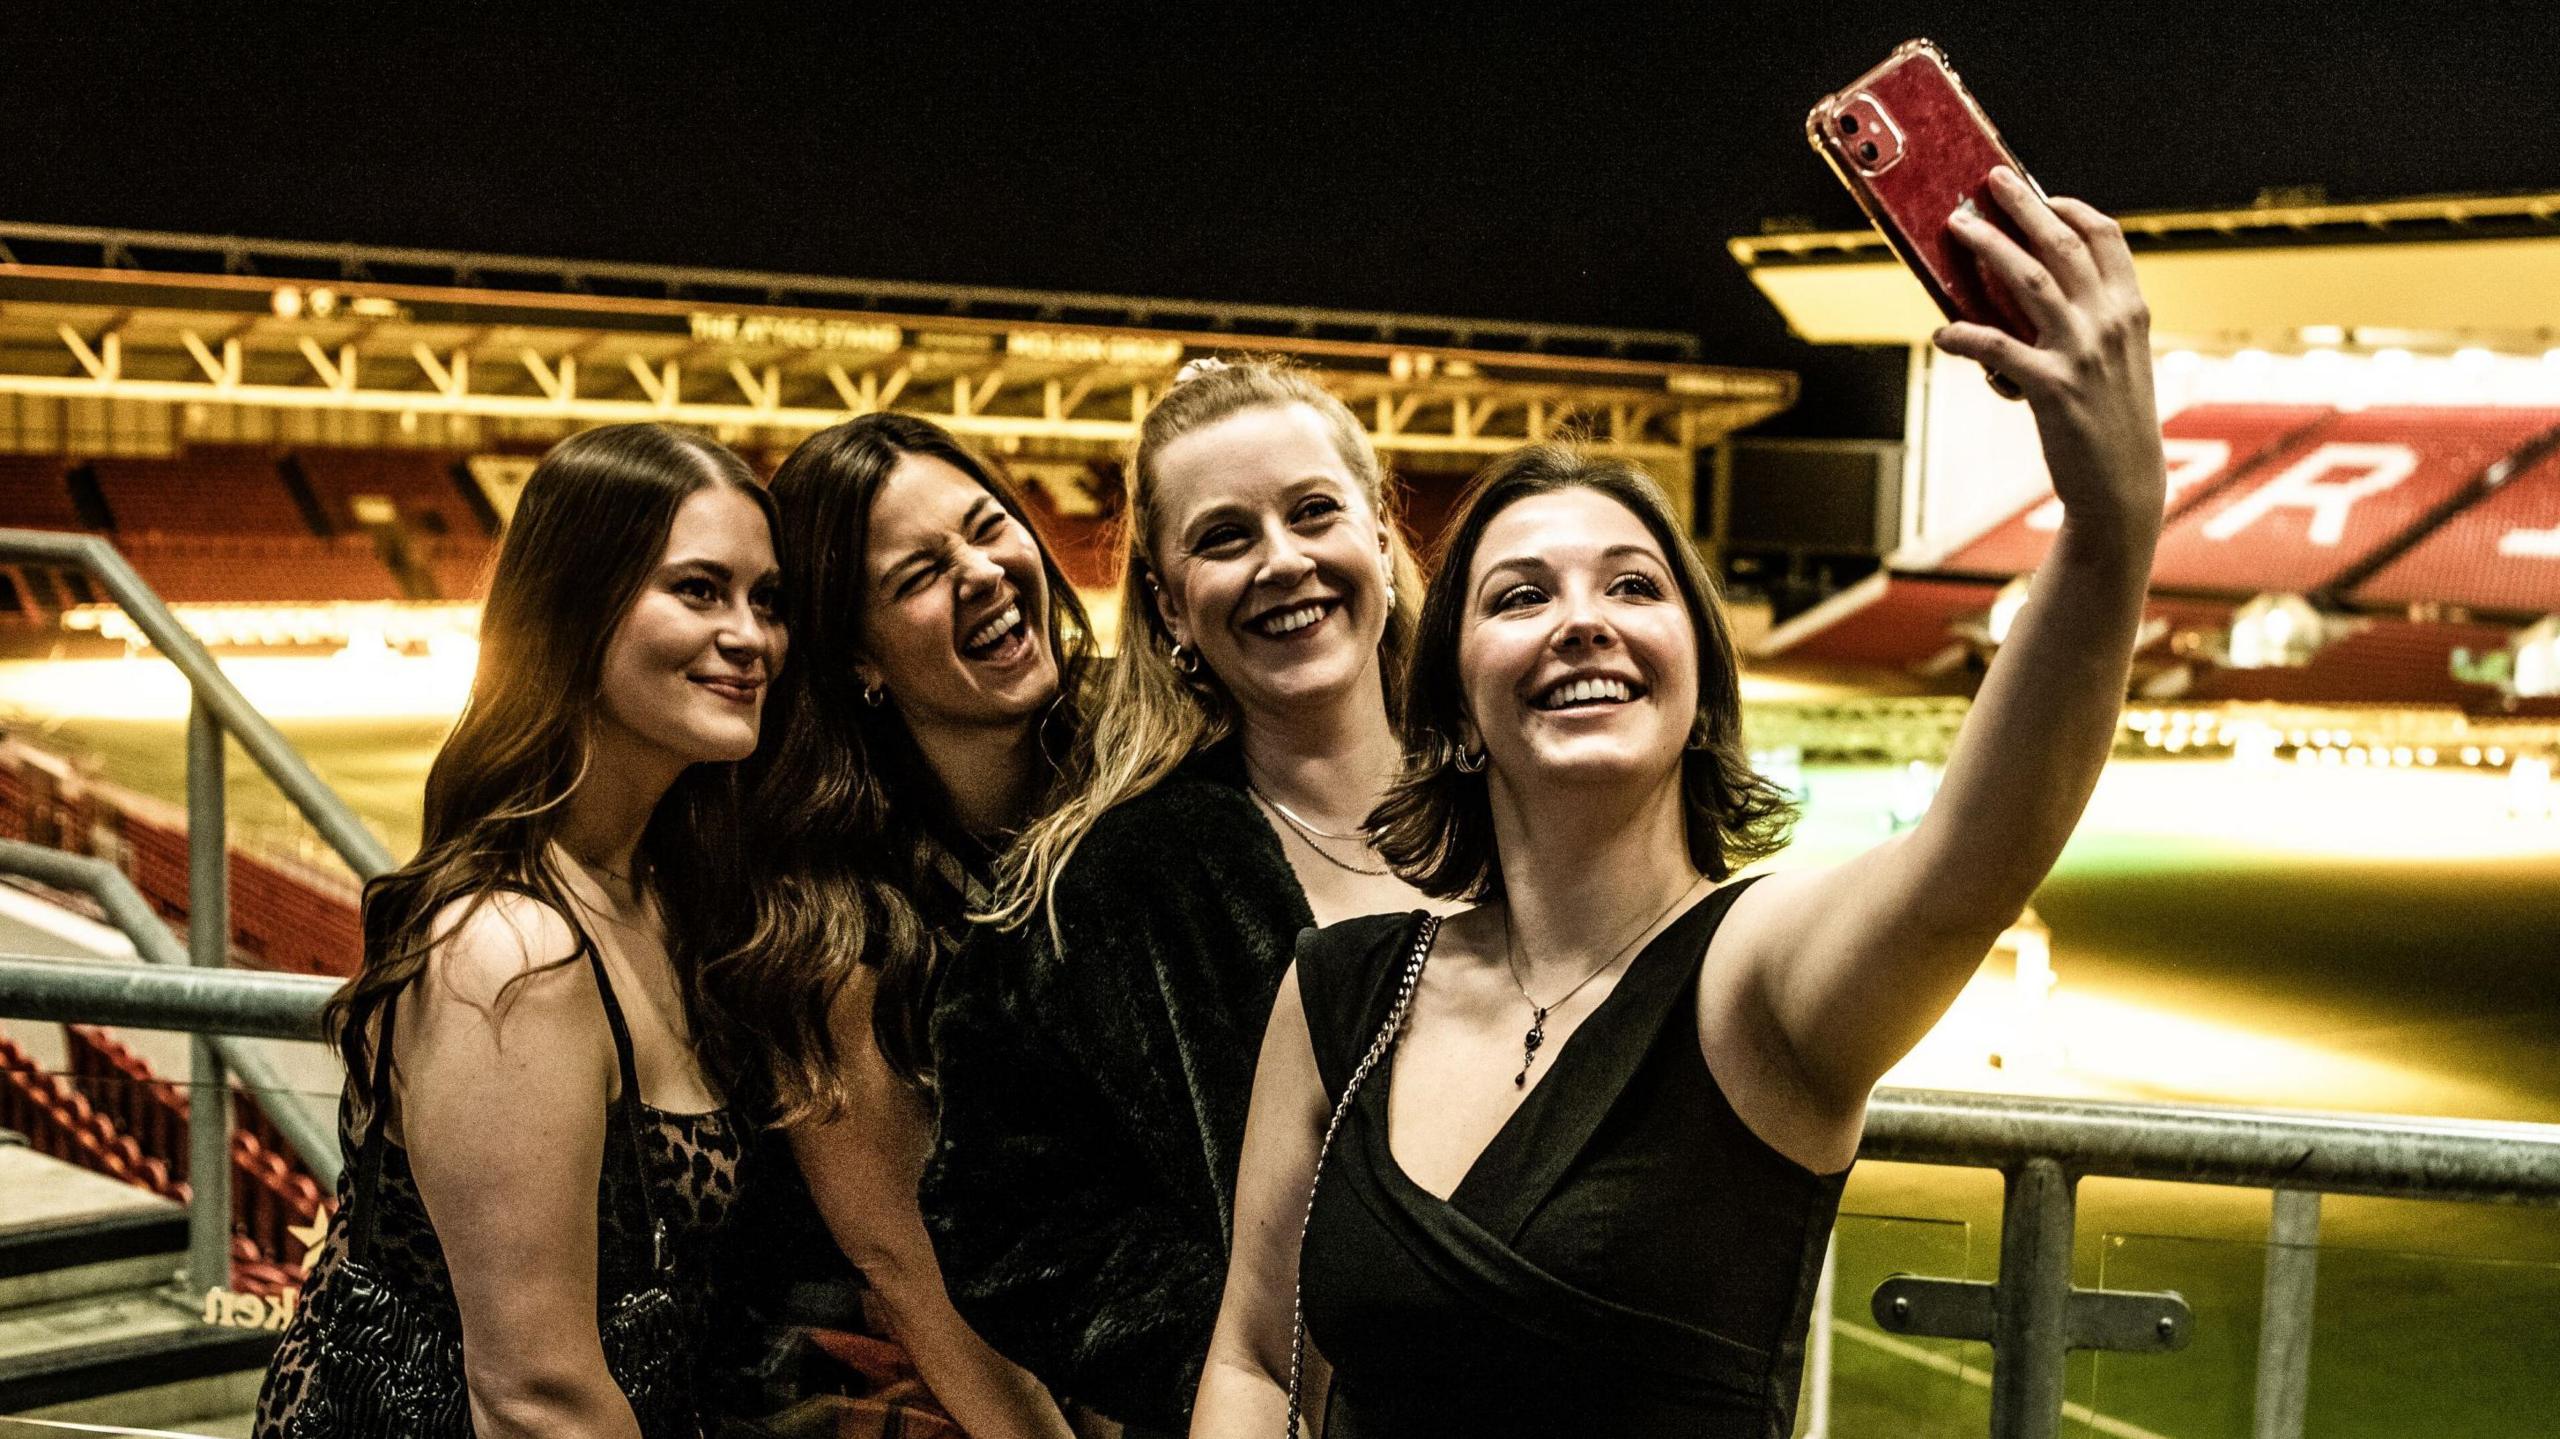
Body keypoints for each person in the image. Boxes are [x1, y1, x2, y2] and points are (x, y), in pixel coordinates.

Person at [1195, 170, 2164, 1436]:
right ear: (1453, 711)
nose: (1582, 617)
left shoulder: (1758, 982)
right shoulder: (1338, 993)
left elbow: (1973, 858)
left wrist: (2107, 530)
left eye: (1632, 586)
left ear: (1699, 686)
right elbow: (1254, 1362)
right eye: (1519, 594)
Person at [923, 358, 1438, 1436]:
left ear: (1380, 541)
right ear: (1167, 603)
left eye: (1312, 512)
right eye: (1224, 537)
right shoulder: (1104, 887)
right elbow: (1005, 1219)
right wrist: (1247, 1356)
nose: (1282, 561)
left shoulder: (1537, 810)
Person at [258, 424, 783, 1438]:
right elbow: (535, 1399)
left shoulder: (664, 895)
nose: (750, 634)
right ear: (574, 608)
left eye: (767, 599)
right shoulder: (509, 951)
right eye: (698, 589)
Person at [688, 414, 1089, 1439]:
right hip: (904, 1380)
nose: (983, 572)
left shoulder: (1134, 776)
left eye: (989, 527)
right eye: (918, 573)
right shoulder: (834, 928)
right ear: (857, 658)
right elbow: (906, 1267)